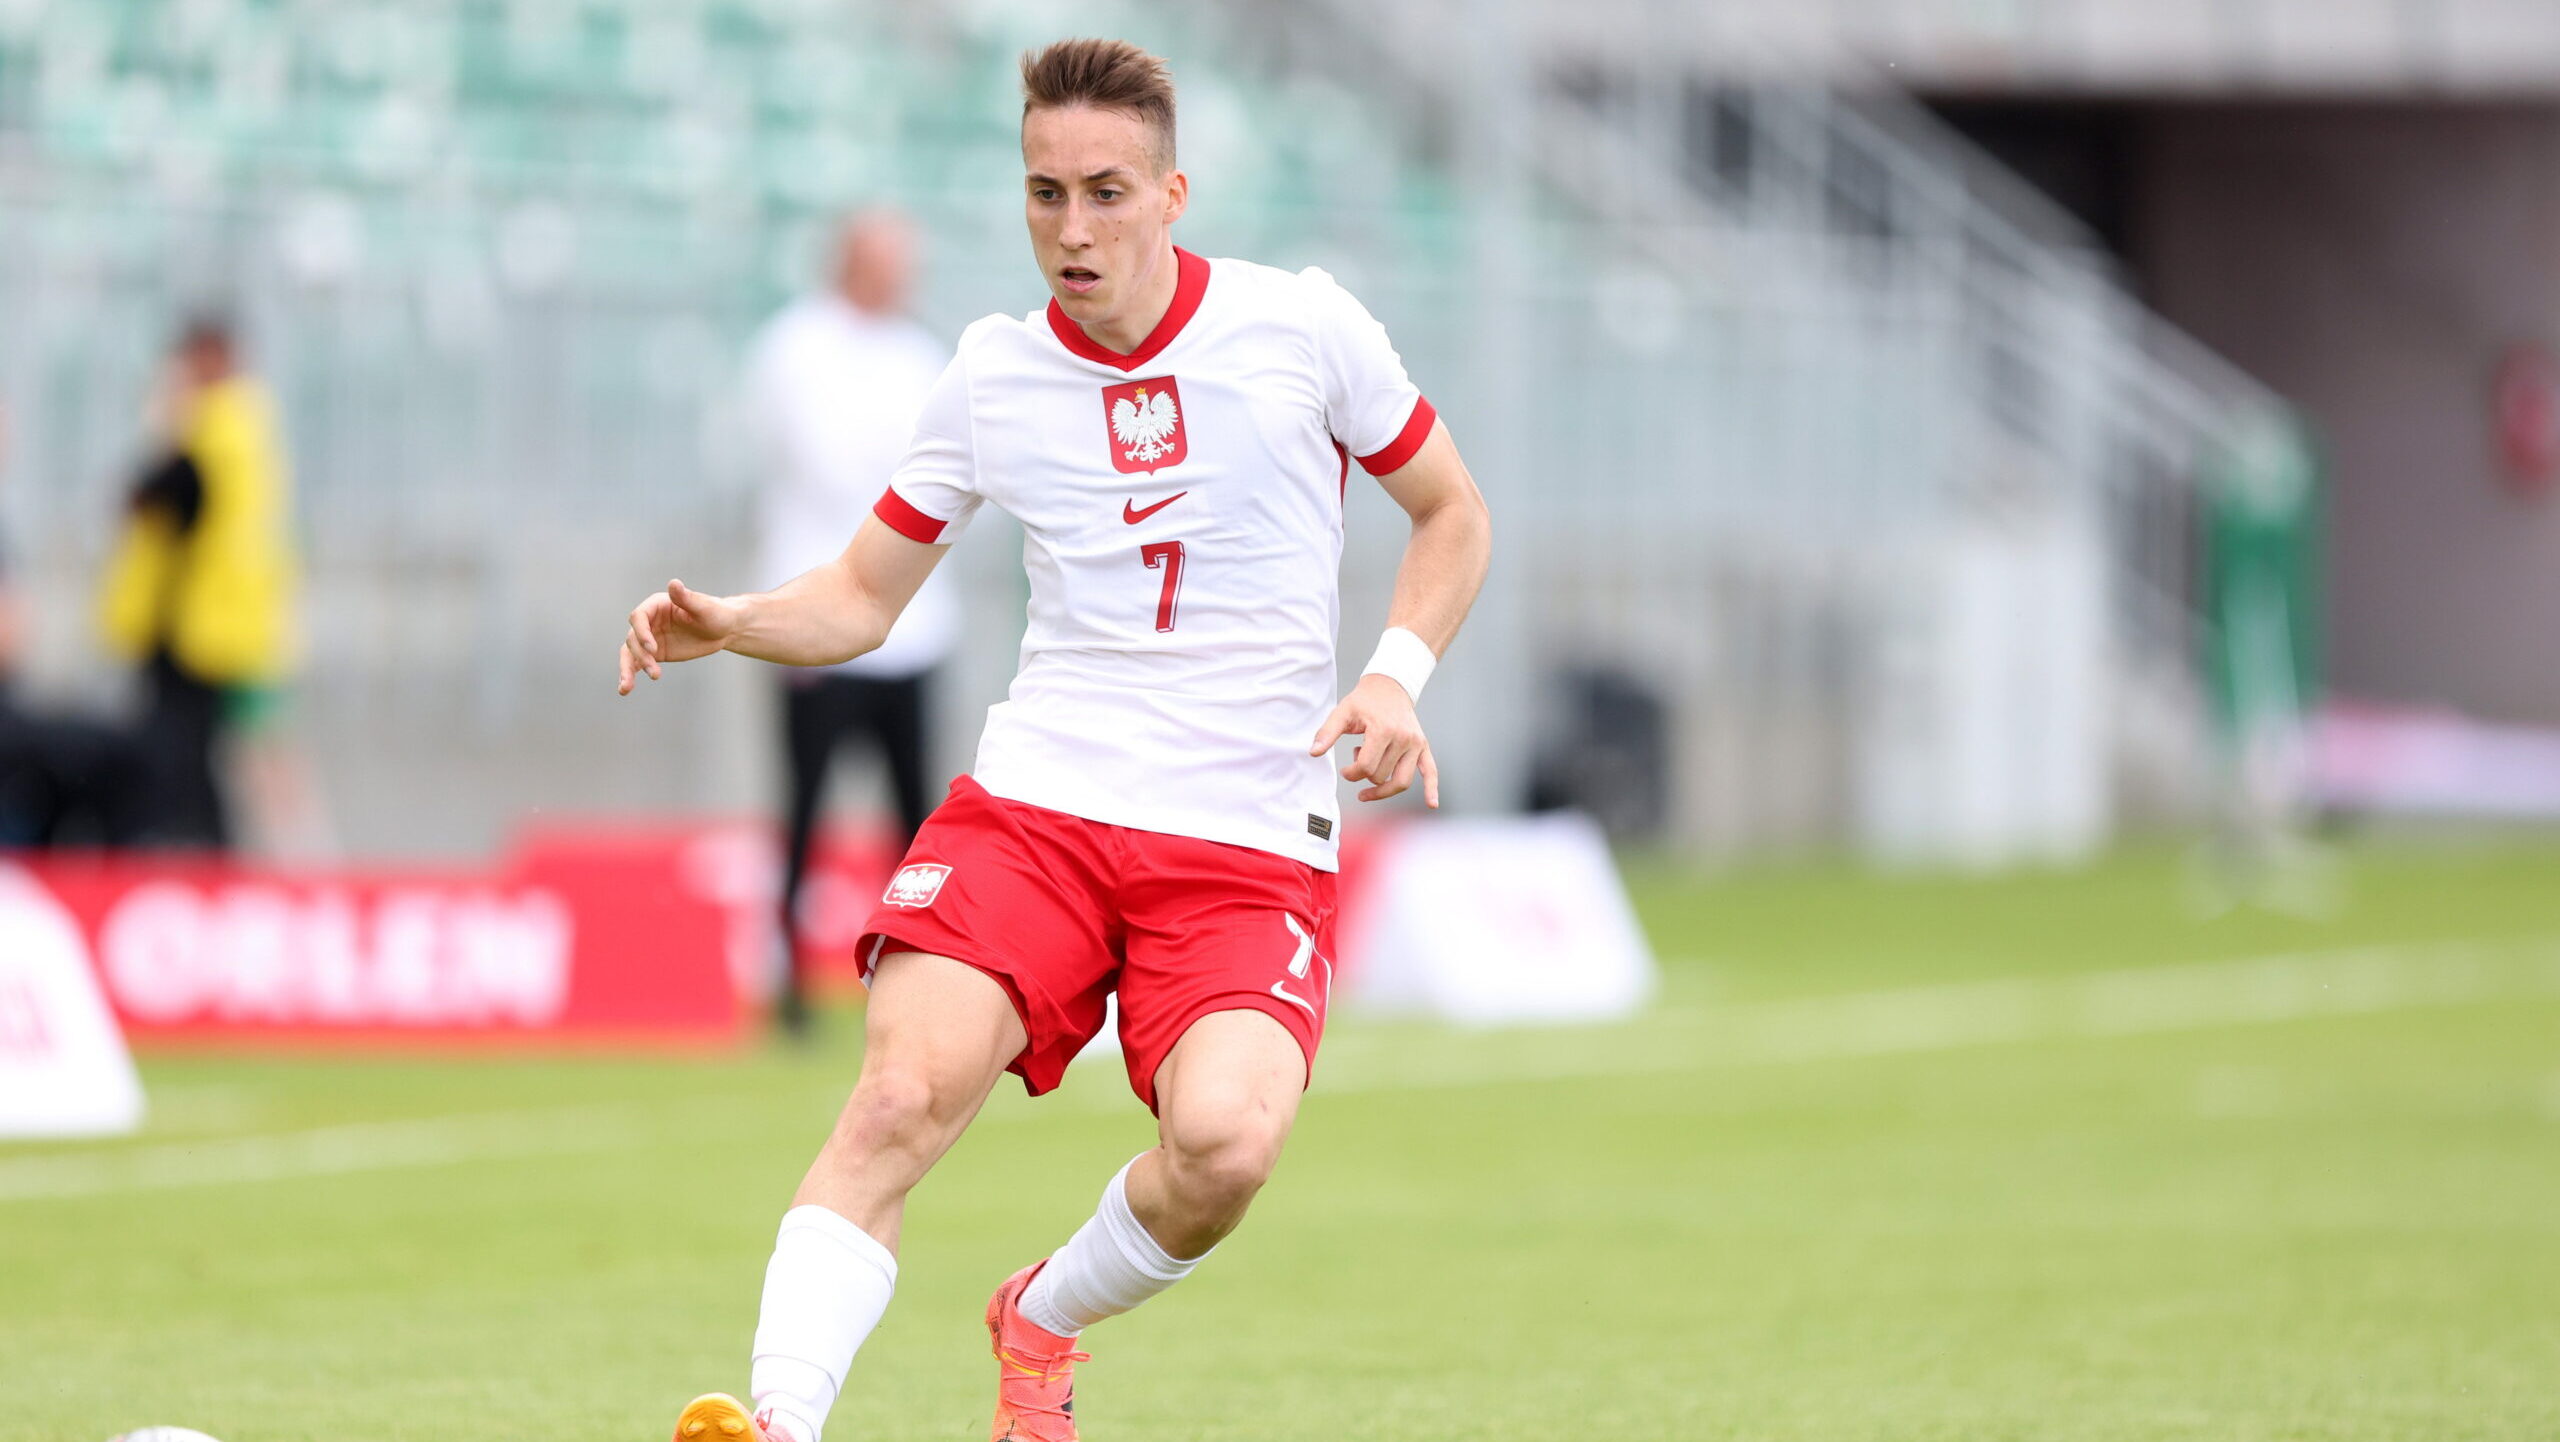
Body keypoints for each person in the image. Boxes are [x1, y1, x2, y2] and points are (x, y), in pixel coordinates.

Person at [621, 38, 1490, 1442]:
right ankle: (777, 1420)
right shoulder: (990, 374)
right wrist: (733, 620)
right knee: (900, 1090)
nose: (1070, 230)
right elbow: (857, 595)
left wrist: (1394, 677)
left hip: (1246, 834)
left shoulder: (1304, 328)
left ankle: (1042, 1314)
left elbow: (1453, 511)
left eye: (1103, 193)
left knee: (1225, 1146)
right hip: (1041, 805)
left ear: (1172, 194)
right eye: (1042, 194)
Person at [741, 208, 962, 1036]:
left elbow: (934, 476)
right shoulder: (796, 347)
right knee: (804, 808)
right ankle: (786, 974)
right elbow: (830, 464)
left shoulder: (919, 356)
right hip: (819, 616)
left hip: (913, 622)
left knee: (914, 820)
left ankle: (924, 973)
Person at [94, 317, 302, 850]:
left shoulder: (214, 428)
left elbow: (154, 496)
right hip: (221, 628)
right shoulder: (250, 428)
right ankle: (212, 853)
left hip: (199, 630)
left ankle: (202, 857)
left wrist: (165, 422)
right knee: (211, 755)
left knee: (184, 757)